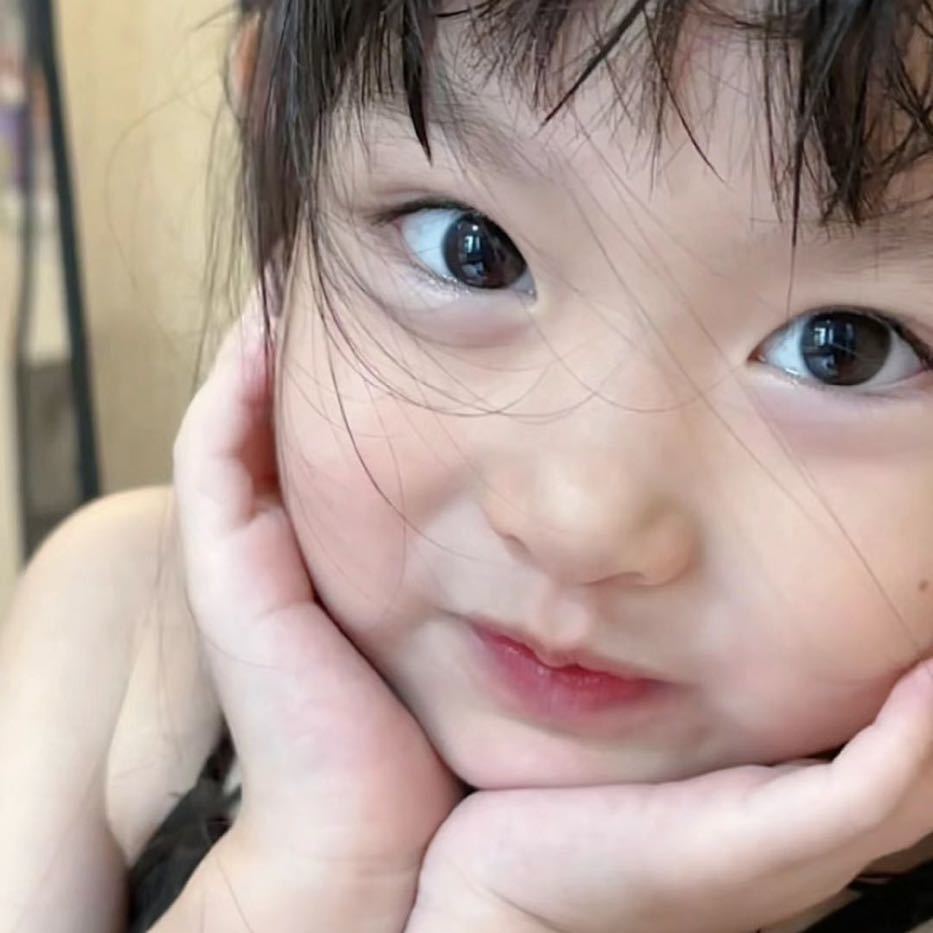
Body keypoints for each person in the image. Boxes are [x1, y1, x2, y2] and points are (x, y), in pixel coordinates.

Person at [5, 0, 933, 930]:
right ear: (284, 153)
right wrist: (317, 864)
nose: (579, 521)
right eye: (471, 250)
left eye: (840, 348)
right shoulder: (118, 624)